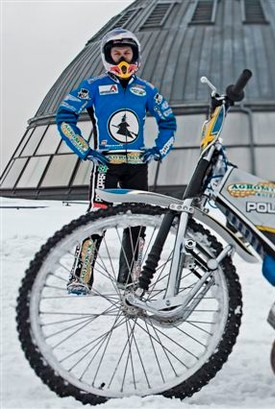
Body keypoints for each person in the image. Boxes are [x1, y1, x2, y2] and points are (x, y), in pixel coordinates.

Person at [56, 28, 177, 295]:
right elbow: (64, 117)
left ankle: (130, 278)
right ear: (107, 57)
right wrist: (85, 150)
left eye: (127, 53)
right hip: (105, 163)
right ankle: (80, 276)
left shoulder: (146, 90)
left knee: (138, 219)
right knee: (97, 216)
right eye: (116, 53)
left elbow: (168, 122)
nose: (122, 59)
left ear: (136, 56)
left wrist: (158, 150)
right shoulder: (93, 86)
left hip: (137, 163)